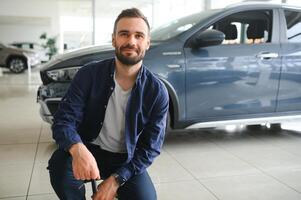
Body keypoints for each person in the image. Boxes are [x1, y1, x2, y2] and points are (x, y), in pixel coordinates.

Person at [47, 8, 169, 200]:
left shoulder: (157, 91)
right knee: (60, 167)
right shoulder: (89, 74)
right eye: (124, 34)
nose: (131, 41)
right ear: (114, 39)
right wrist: (77, 149)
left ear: (147, 43)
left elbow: (150, 148)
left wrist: (117, 180)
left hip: (124, 159)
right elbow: (63, 120)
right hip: (88, 148)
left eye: (139, 35)